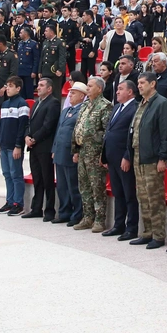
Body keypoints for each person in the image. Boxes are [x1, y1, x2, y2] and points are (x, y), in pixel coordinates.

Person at [129, 71, 167, 248]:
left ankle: (158, 235)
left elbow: (166, 133)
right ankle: (147, 232)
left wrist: (163, 157)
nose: (139, 85)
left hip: (153, 158)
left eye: (142, 83)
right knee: (143, 197)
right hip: (138, 156)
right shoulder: (141, 103)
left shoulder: (162, 104)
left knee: (154, 198)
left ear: (153, 84)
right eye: (138, 83)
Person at [99, 79, 140, 238]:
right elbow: (109, 133)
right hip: (112, 158)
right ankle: (118, 224)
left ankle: (131, 228)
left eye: (121, 89)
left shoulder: (135, 108)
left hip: (124, 158)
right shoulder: (116, 107)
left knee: (129, 193)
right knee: (118, 193)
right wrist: (104, 156)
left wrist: (127, 156)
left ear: (130, 92)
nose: (117, 92)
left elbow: (131, 135)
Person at [72, 76, 112, 231]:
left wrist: (101, 152)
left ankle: (100, 220)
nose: (87, 89)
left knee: (97, 187)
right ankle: (87, 217)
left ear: (99, 89)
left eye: (90, 86)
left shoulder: (105, 106)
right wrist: (75, 149)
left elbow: (106, 132)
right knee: (84, 186)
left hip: (95, 154)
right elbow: (78, 127)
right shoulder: (85, 105)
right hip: (82, 152)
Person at [22, 77, 59, 219]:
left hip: (44, 146)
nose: (39, 87)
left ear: (49, 88)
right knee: (37, 178)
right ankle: (36, 208)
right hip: (33, 147)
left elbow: (48, 125)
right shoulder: (36, 103)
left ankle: (49, 210)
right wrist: (27, 136)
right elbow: (30, 123)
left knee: (47, 179)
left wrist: (34, 138)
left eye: (42, 85)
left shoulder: (53, 103)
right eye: (38, 85)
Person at [52, 82, 88, 225]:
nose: (70, 95)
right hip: (60, 151)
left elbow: (79, 133)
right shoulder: (65, 110)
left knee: (73, 185)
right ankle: (64, 212)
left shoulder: (82, 111)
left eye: (73, 93)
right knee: (62, 186)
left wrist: (77, 151)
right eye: (70, 92)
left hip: (70, 152)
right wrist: (54, 149)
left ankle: (77, 214)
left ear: (81, 96)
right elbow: (58, 130)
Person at [0, 76, 30, 214]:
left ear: (18, 88)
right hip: (3, 145)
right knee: (7, 174)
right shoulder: (4, 104)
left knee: (16, 174)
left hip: (14, 146)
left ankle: (18, 203)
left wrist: (18, 145)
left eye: (10, 86)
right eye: (6, 85)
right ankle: (9, 201)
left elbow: (22, 127)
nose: (7, 88)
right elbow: (1, 126)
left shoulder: (22, 104)